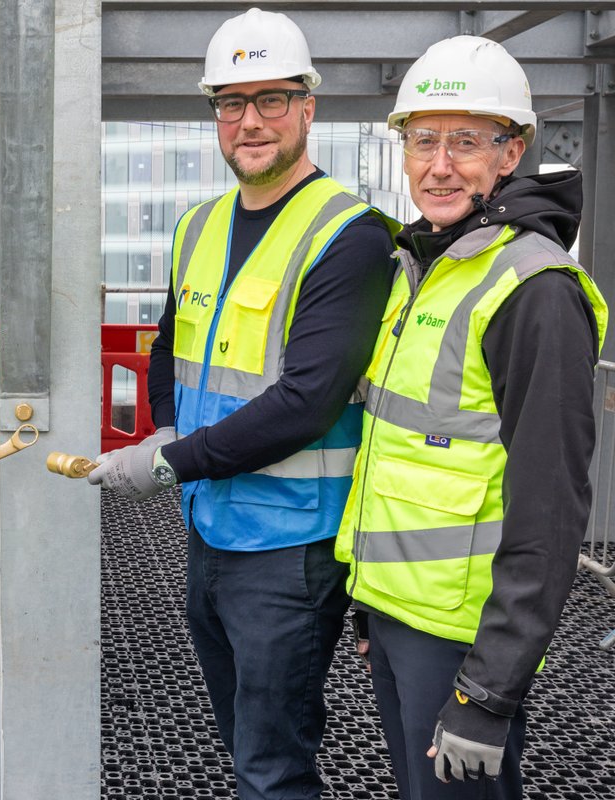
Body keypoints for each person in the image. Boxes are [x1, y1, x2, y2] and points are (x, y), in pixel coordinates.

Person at [86, 8, 397, 799]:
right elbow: (169, 347)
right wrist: (165, 427)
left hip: (291, 548)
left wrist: (169, 461)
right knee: (244, 742)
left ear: (308, 108)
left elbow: (306, 400)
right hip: (210, 529)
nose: (250, 121)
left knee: (273, 761)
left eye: (270, 99)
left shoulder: (350, 236)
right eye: (231, 102)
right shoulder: (200, 224)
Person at [334, 35, 607, 799]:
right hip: (396, 617)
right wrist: (369, 606)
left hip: (461, 642)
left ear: (511, 152)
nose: (439, 164)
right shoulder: (427, 266)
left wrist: (489, 693)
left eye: (466, 141)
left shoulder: (534, 291)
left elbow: (551, 511)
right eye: (423, 140)